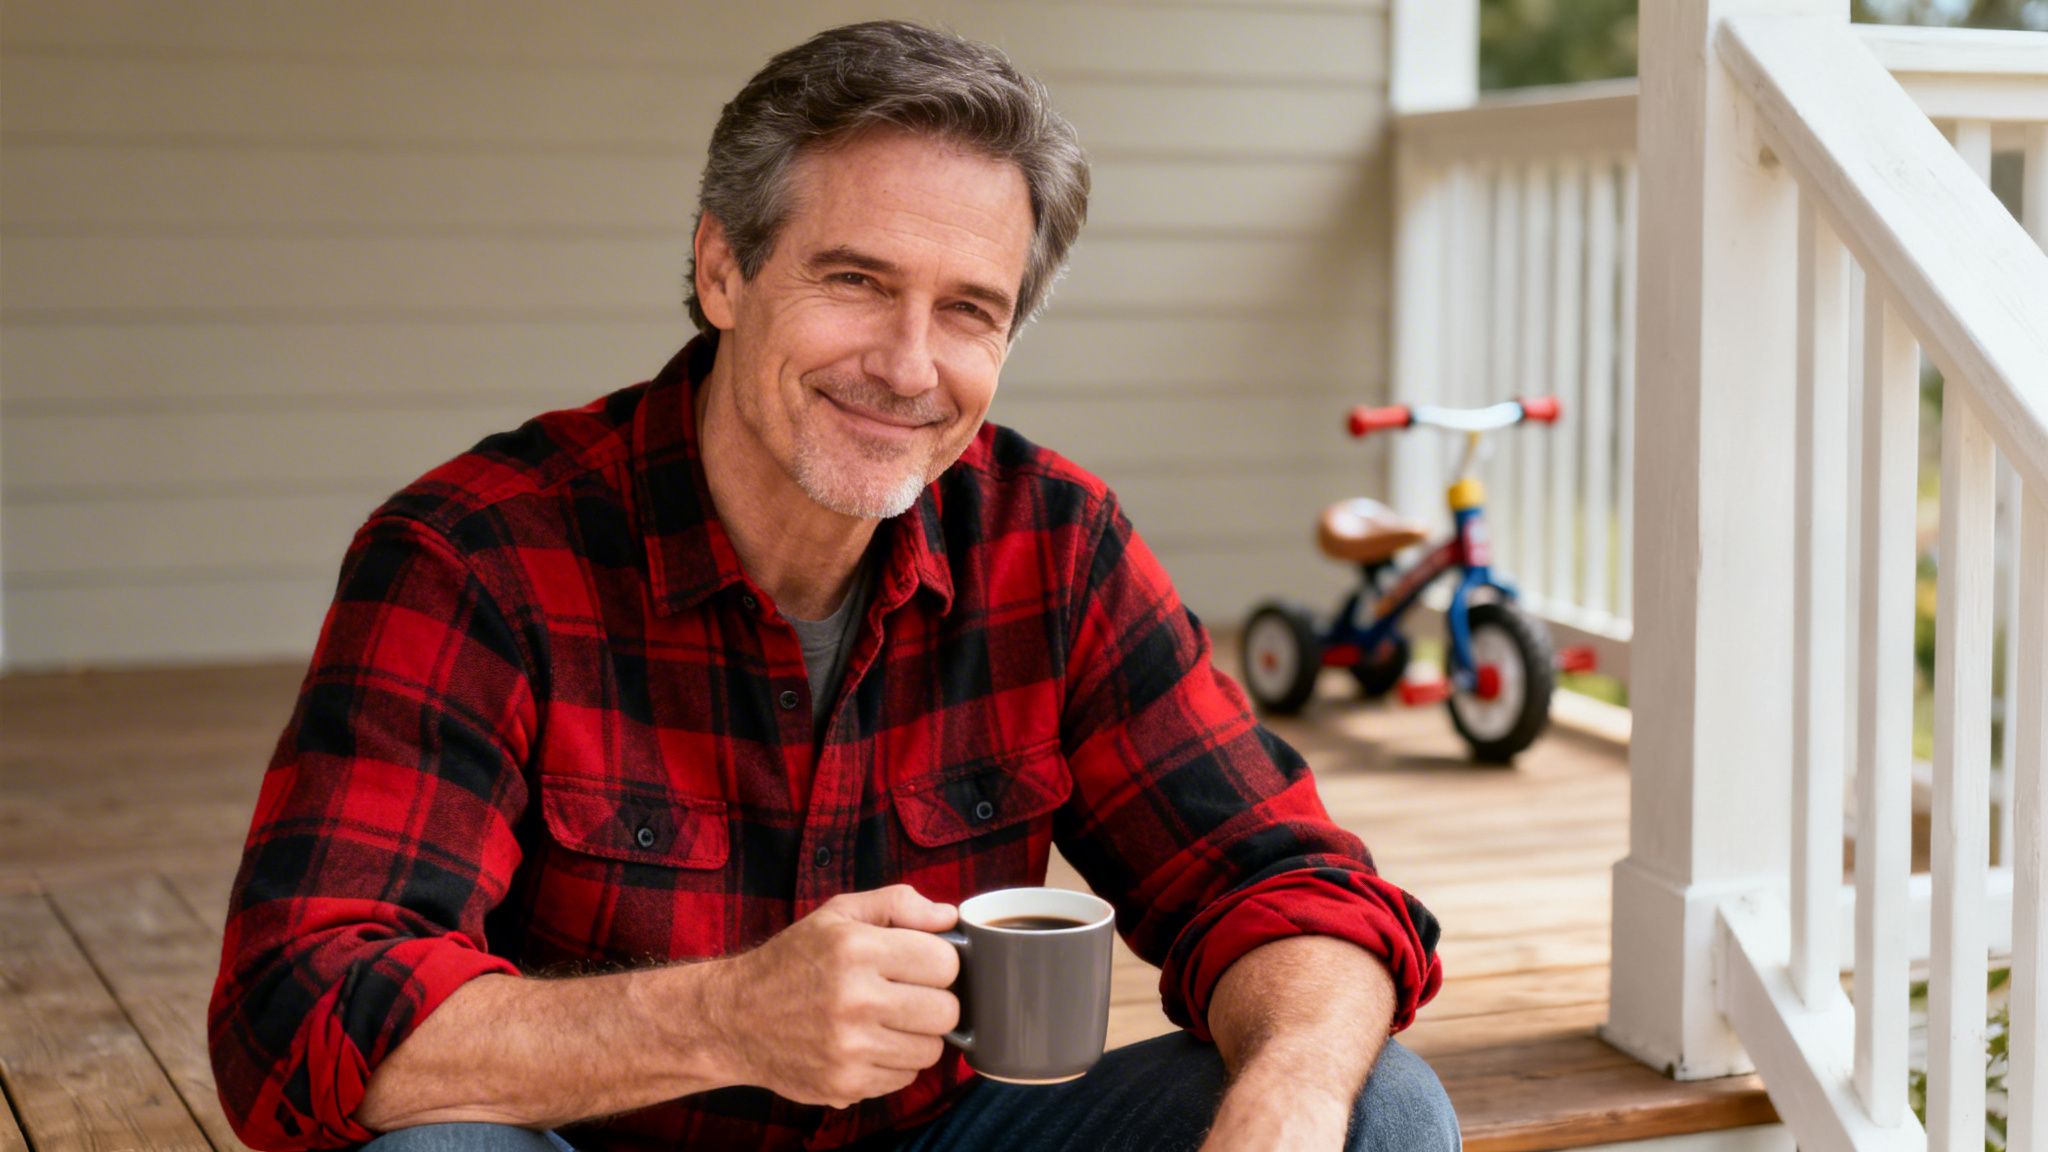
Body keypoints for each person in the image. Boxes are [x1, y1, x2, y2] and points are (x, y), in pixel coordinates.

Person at [207, 20, 1454, 1152]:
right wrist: (728, 1019)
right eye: (854, 281)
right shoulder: (473, 557)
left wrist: (1286, 1096)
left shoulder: (1050, 541)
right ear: (722, 272)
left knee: (1369, 1098)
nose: (908, 367)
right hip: (594, 1145)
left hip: (941, 1143)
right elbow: (298, 1011)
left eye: (968, 310)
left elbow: (1286, 883)